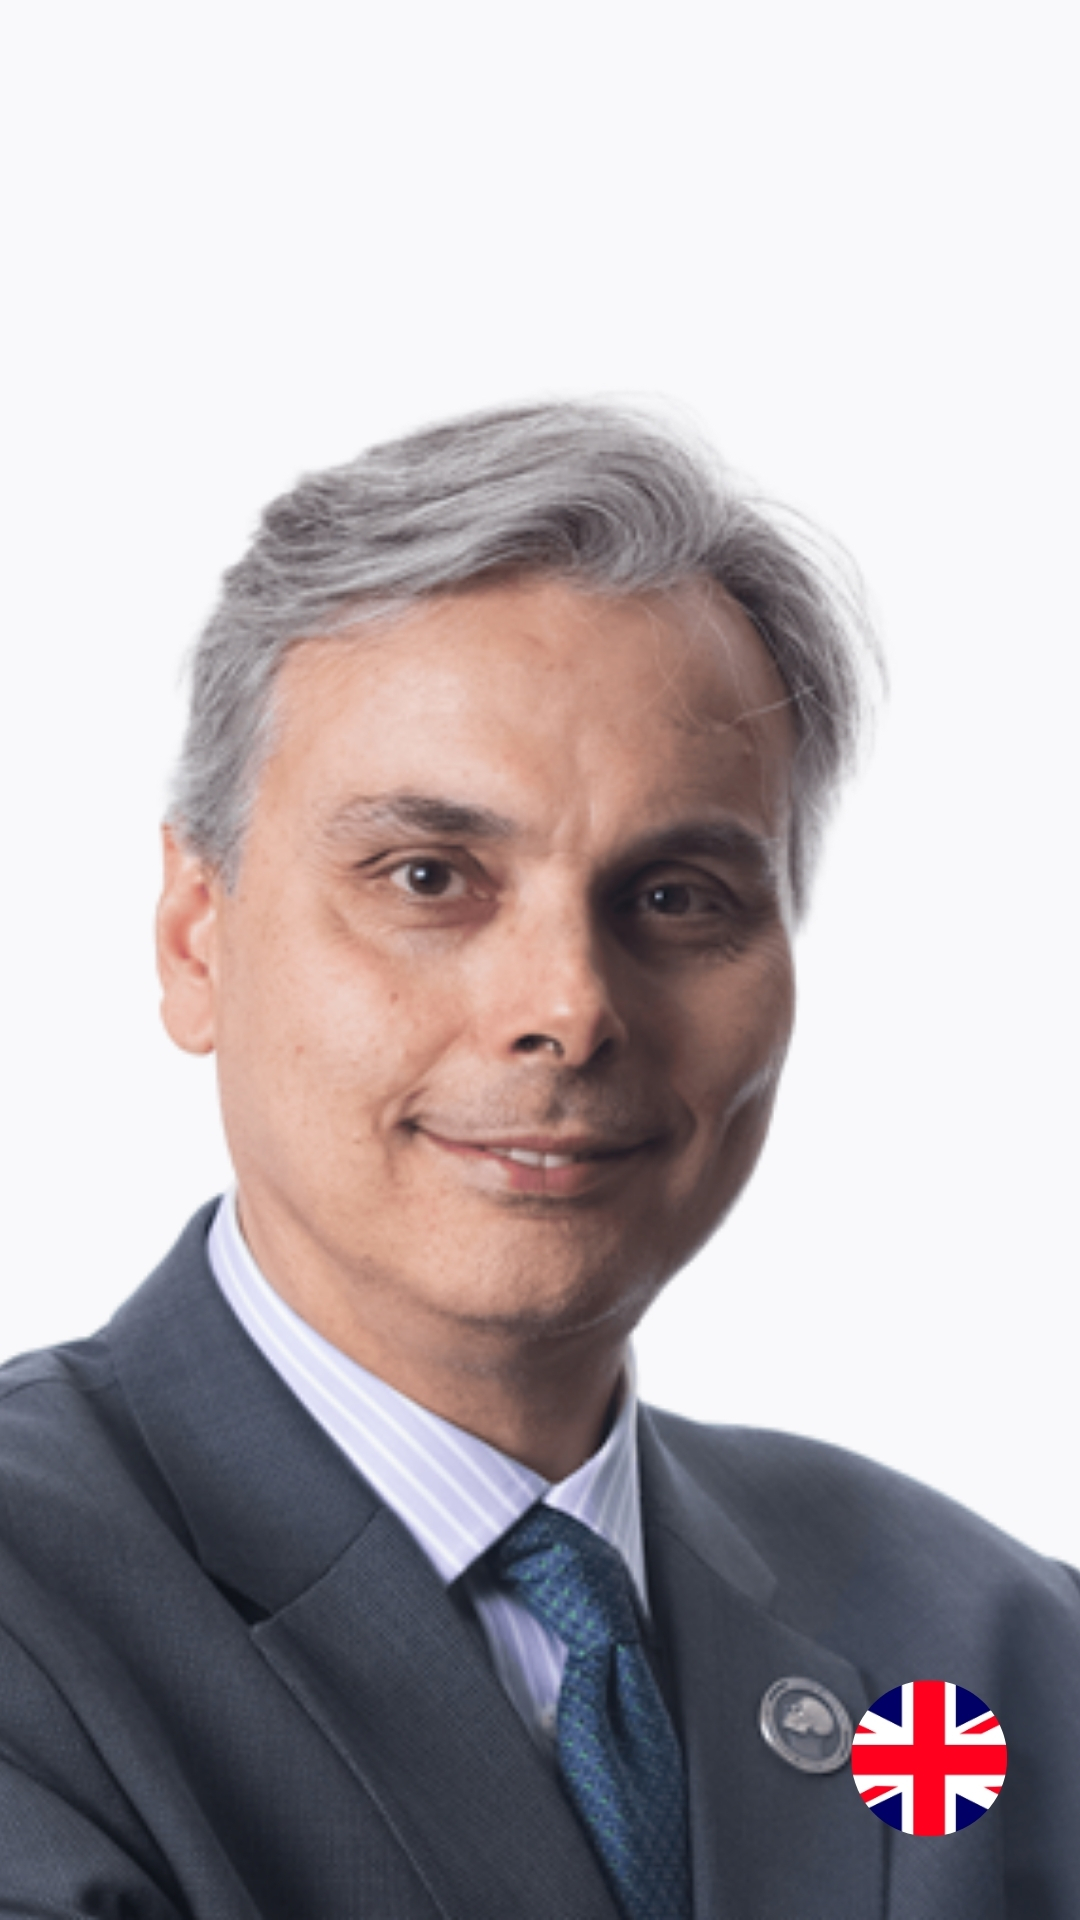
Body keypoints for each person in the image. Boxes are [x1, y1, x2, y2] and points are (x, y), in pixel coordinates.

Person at [0, 402, 1076, 1920]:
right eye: (428, 876)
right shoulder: (32, 1620)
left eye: (678, 896)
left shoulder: (995, 1643)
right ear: (195, 938)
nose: (570, 1008)